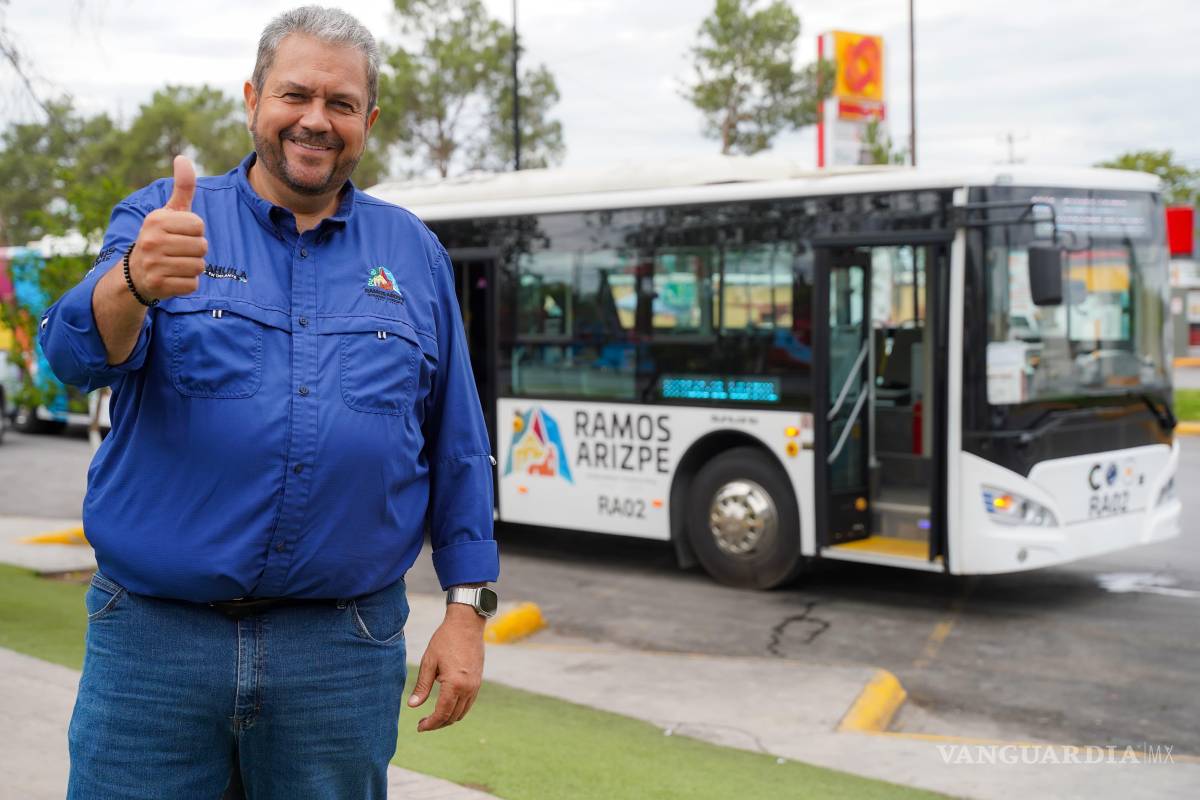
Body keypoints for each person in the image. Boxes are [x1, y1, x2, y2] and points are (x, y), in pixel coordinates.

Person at [39, 6, 500, 798]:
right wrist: (134, 282)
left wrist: (467, 610)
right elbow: (75, 357)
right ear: (253, 99)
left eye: (341, 104)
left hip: (340, 651)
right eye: (295, 95)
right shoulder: (166, 219)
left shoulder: (413, 254)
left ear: (368, 120)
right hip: (155, 643)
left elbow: (456, 444)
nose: (315, 120)